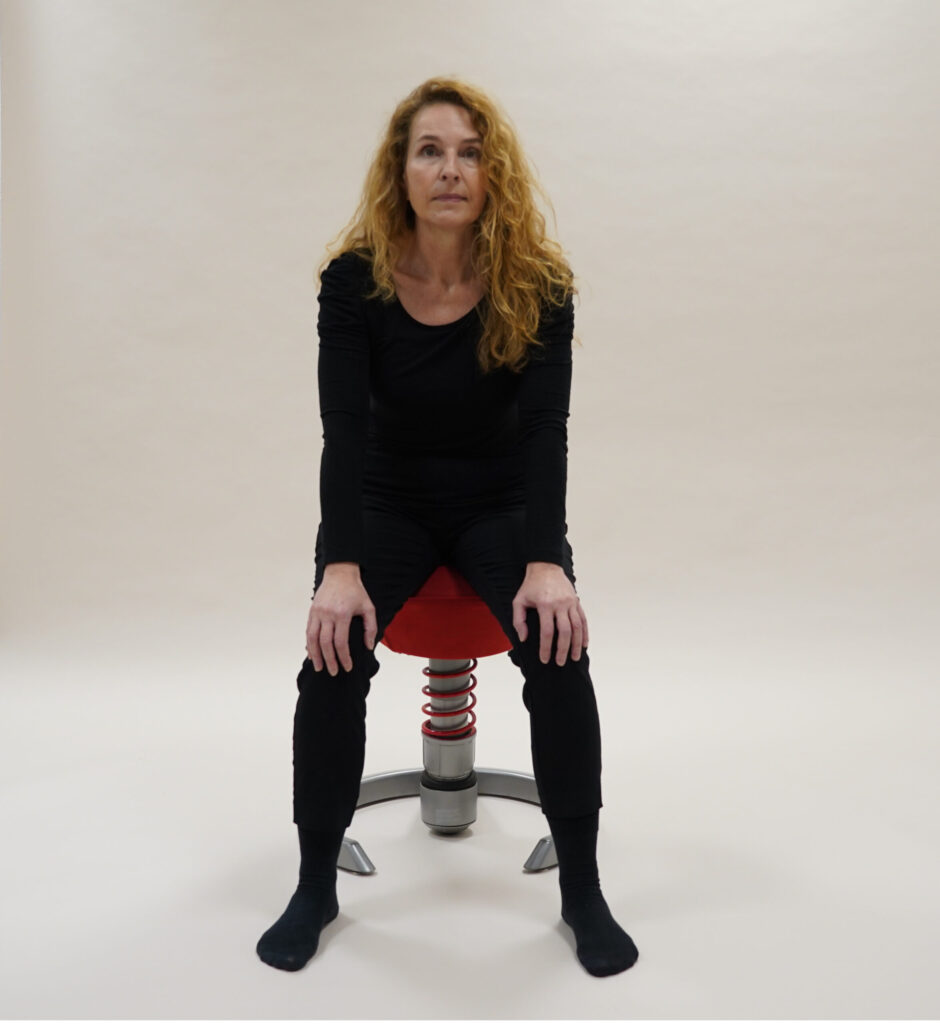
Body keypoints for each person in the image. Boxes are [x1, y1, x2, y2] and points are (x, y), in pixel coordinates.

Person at [256, 76, 639, 978]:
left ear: (493, 172)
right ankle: (314, 886)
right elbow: (343, 432)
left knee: (558, 651)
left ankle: (582, 891)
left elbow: (545, 432)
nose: (451, 169)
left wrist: (545, 561)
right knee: (332, 657)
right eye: (430, 150)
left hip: (500, 501)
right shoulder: (352, 282)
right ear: (401, 170)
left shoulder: (539, 283)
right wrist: (340, 566)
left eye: (470, 152)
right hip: (385, 497)